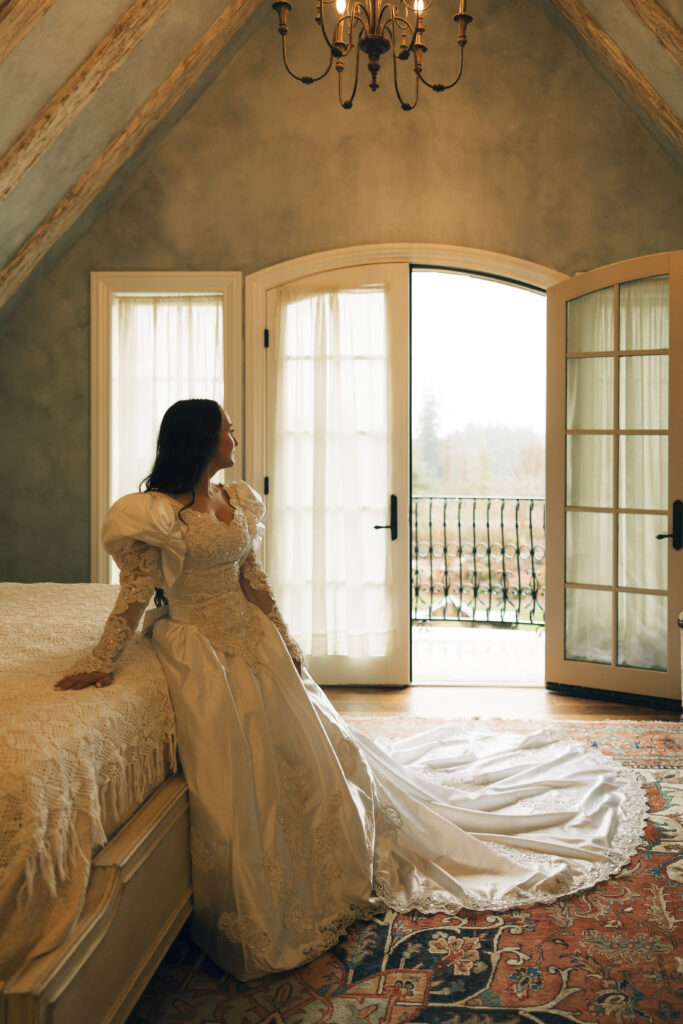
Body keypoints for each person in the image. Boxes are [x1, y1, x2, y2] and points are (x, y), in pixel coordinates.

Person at [56, 398, 646, 981]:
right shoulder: (156, 513)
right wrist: (104, 659)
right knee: (248, 771)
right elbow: (135, 592)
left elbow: (251, 577)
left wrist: (285, 639)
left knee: (315, 754)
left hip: (250, 637)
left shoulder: (235, 499)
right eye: (227, 431)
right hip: (199, 648)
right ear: (202, 441)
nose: (235, 438)